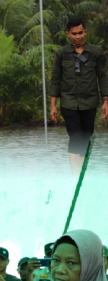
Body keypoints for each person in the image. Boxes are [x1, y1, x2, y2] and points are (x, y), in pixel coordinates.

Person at [49, 17, 108, 175]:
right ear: (68, 34)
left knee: (87, 135)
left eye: (80, 33)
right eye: (74, 33)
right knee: (75, 136)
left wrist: (106, 100)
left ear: (85, 32)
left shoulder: (96, 53)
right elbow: (55, 79)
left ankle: (81, 172)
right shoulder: (61, 54)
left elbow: (103, 76)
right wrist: (53, 105)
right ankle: (75, 174)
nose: (78, 36)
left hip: (90, 102)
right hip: (69, 102)